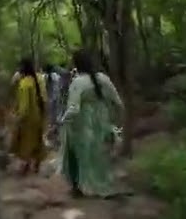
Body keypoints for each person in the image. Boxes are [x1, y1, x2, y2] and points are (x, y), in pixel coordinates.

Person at [56, 49, 123, 198]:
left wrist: (61, 121)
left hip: (82, 123)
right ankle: (102, 183)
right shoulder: (104, 79)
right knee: (100, 155)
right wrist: (117, 120)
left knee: (79, 154)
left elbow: (74, 108)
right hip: (102, 120)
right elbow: (117, 101)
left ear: (77, 64)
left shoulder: (78, 82)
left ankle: (81, 186)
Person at [8, 57, 47, 175]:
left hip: (28, 120)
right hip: (40, 115)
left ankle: (26, 165)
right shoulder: (40, 78)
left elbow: (24, 107)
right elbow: (45, 98)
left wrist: (17, 118)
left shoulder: (24, 84)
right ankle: (37, 165)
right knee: (38, 140)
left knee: (25, 143)